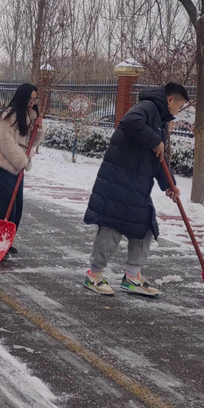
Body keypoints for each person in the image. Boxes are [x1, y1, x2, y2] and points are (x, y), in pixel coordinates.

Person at [83, 82, 188, 297]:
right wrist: (154, 140)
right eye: (180, 105)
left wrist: (169, 185)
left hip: (135, 183)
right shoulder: (148, 107)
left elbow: (158, 158)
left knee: (144, 225)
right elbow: (130, 121)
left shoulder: (160, 121)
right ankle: (94, 274)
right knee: (111, 226)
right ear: (170, 100)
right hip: (118, 180)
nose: (179, 110)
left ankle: (132, 277)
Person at [0, 83, 45, 256]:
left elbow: (30, 143)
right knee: (6, 205)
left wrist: (39, 128)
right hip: (6, 164)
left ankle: (8, 240)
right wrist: (22, 161)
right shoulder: (9, 115)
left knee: (17, 206)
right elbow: (5, 142)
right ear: (22, 97)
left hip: (18, 165)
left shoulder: (30, 115)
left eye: (35, 99)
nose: (32, 102)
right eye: (30, 98)